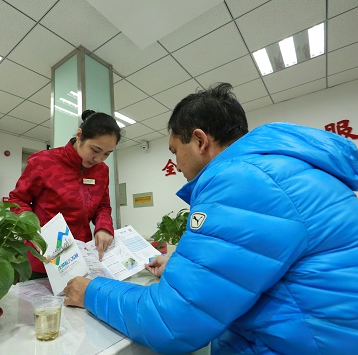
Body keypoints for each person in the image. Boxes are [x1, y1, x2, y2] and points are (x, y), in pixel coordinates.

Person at [64, 83, 358, 354]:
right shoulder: (278, 168)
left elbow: (173, 322)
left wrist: (91, 290)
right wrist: (183, 265)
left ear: (200, 141)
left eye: (175, 151)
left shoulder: (242, 181)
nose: (176, 163)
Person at [8, 109, 121, 279]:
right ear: (79, 135)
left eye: (106, 154)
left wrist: (104, 227)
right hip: (43, 257)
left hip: (80, 257)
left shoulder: (102, 171)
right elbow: (17, 200)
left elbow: (103, 206)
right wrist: (32, 230)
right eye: (95, 150)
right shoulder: (44, 162)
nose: (99, 159)